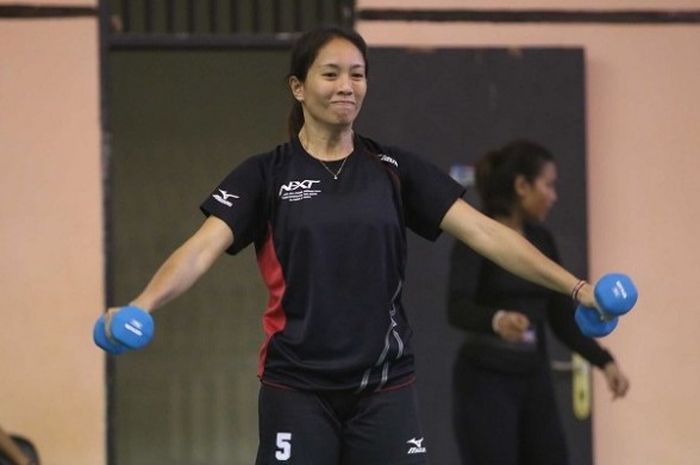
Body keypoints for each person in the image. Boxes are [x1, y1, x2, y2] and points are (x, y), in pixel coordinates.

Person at [104, 27, 611, 465]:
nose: (346, 86)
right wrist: (142, 304)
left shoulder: (393, 171)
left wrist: (577, 288)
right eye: (330, 74)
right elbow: (200, 250)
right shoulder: (266, 175)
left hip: (385, 387)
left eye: (357, 73)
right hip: (296, 386)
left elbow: (488, 234)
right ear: (298, 87)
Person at [447, 140, 630, 465]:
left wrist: (604, 361)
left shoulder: (542, 240)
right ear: (521, 185)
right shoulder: (479, 234)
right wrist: (497, 319)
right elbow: (457, 307)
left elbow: (562, 316)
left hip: (533, 377)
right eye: (548, 185)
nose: (554, 195)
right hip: (486, 381)